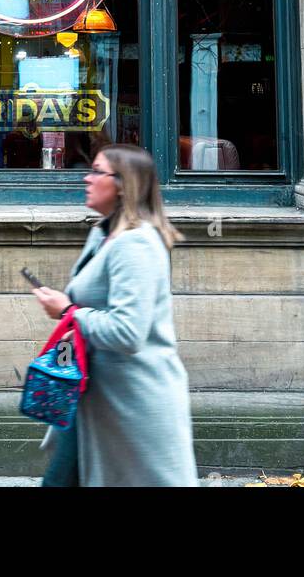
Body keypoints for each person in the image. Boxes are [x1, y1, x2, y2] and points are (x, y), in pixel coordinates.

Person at [33, 143, 199, 487]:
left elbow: (127, 332)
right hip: (93, 400)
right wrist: (68, 321)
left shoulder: (136, 245)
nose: (86, 178)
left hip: (134, 405)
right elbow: (88, 312)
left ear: (123, 184)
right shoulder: (103, 234)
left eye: (97, 171)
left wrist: (67, 310)